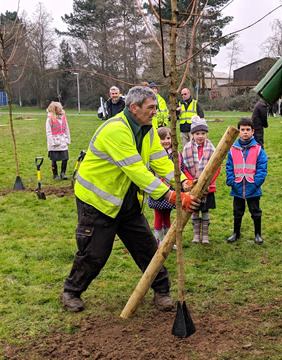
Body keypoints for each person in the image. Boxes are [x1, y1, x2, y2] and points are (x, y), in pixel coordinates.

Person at [60, 86, 200, 313]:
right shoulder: (115, 130)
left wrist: (184, 181)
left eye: (156, 107)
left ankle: (161, 291)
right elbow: (136, 170)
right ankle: (71, 291)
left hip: (127, 200)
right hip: (98, 202)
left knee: (147, 247)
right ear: (133, 108)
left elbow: (159, 160)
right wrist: (171, 196)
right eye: (151, 108)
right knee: (95, 253)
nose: (155, 112)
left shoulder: (148, 128)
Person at [225, 118, 268, 245]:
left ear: (253, 131)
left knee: (255, 212)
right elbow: (229, 167)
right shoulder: (233, 149)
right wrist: (231, 181)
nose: (245, 132)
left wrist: (256, 183)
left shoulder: (258, 149)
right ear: (239, 132)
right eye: (242, 130)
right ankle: (236, 233)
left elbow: (262, 168)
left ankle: (258, 234)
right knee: (237, 212)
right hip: (237, 186)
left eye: (248, 130)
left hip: (252, 187)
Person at [182, 117, 219, 244]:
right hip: (193, 185)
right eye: (197, 133)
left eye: (203, 133)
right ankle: (196, 235)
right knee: (194, 210)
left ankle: (205, 236)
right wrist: (192, 182)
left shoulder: (211, 148)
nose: (200, 136)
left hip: (208, 187)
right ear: (192, 134)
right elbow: (184, 168)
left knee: (205, 211)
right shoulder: (187, 148)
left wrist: (206, 182)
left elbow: (216, 167)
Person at [148, 127, 179, 244]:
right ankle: (159, 240)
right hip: (158, 190)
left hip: (170, 190)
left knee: (167, 215)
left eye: (168, 138)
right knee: (158, 215)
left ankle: (168, 240)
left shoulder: (175, 154)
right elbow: (150, 172)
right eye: (162, 139)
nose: (166, 141)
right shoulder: (153, 155)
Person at [46, 101, 71, 180]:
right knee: (54, 159)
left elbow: (66, 128)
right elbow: (48, 132)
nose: (61, 110)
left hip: (63, 140)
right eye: (59, 109)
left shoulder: (63, 117)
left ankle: (63, 173)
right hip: (54, 142)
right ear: (55, 110)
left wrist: (68, 139)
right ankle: (55, 174)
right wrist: (52, 142)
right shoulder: (49, 119)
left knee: (65, 158)